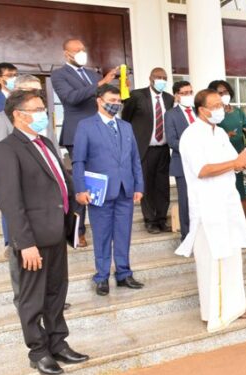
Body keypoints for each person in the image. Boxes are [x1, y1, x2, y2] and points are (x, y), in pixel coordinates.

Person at [0, 89, 89, 374]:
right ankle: (38, 351)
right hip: (32, 238)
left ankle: (58, 343)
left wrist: (76, 204)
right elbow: (10, 201)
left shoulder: (45, 142)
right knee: (32, 298)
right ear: (19, 115)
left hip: (56, 231)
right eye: (36, 109)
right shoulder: (7, 149)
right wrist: (25, 243)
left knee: (56, 293)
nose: (42, 114)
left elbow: (61, 178)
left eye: (42, 108)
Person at [174, 89, 246, 332]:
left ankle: (235, 305)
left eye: (221, 105)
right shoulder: (191, 135)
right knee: (211, 259)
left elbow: (233, 163)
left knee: (232, 255)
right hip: (207, 205)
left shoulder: (221, 133)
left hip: (227, 202)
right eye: (214, 105)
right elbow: (202, 170)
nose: (220, 110)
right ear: (201, 110)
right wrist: (236, 163)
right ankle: (212, 311)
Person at [0, 75, 64, 310]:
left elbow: (52, 156)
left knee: (51, 278)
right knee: (21, 255)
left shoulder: (41, 124)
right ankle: (25, 298)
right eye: (31, 92)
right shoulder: (0, 120)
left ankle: (47, 299)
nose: (39, 99)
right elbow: (0, 165)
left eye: (40, 93)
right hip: (20, 200)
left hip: (48, 206)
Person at [72, 84, 145, 296]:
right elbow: (79, 161)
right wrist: (80, 189)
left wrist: (139, 185)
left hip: (125, 189)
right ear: (99, 100)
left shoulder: (126, 126)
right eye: (111, 101)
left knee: (123, 234)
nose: (116, 105)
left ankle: (123, 273)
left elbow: (134, 159)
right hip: (99, 192)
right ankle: (102, 276)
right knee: (102, 235)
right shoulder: (86, 126)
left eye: (118, 102)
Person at [51, 39, 118, 247]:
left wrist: (120, 88)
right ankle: (77, 230)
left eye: (83, 49)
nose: (81, 53)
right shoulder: (59, 75)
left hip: (101, 131)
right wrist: (100, 83)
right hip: (77, 133)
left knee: (101, 178)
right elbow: (71, 97)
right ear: (66, 54)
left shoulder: (93, 74)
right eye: (76, 50)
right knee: (82, 183)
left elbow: (106, 97)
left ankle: (103, 225)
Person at [121, 67, 175, 234]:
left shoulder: (169, 98)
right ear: (150, 78)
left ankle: (161, 218)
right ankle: (150, 220)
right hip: (144, 149)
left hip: (163, 149)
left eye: (164, 77)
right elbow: (126, 119)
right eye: (158, 76)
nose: (161, 80)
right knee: (147, 184)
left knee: (162, 186)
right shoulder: (137, 96)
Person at [209, 80, 246, 215]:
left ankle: (243, 224)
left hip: (241, 156)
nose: (224, 95)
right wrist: (225, 136)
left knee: (245, 191)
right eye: (220, 93)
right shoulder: (213, 114)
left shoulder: (238, 111)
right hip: (223, 160)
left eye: (226, 92)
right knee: (228, 192)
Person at [165, 80, 196, 241]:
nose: (188, 96)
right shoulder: (171, 115)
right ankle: (187, 236)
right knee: (185, 200)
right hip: (182, 163)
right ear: (177, 96)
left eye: (190, 92)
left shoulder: (200, 111)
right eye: (184, 93)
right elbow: (172, 140)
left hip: (203, 164)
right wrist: (193, 148)